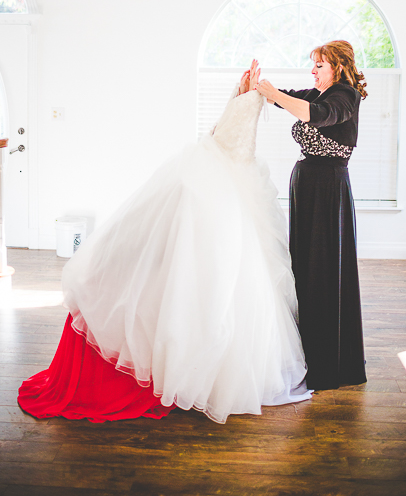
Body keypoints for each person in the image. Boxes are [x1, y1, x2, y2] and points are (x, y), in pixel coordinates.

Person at [18, 61, 311, 424]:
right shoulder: (237, 108)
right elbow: (224, 136)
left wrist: (259, 92)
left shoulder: (251, 105)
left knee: (223, 274)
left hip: (227, 176)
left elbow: (231, 139)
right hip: (223, 174)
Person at [255, 40, 367, 390]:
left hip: (327, 187)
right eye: (313, 65)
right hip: (306, 183)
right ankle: (305, 348)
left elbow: (315, 116)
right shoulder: (318, 93)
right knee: (304, 264)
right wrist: (259, 88)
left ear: (338, 65)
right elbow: (285, 96)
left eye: (319, 64)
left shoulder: (345, 96)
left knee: (324, 266)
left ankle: (327, 358)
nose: (313, 71)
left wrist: (273, 93)